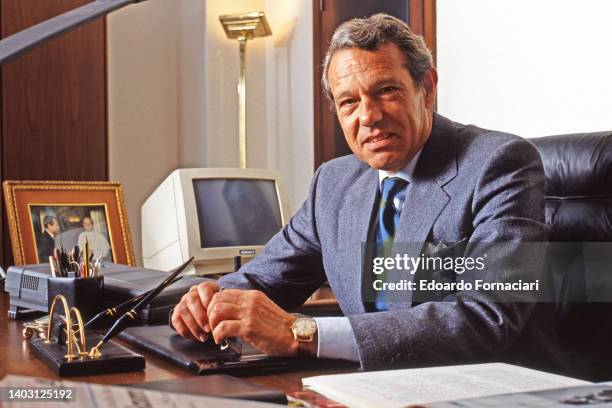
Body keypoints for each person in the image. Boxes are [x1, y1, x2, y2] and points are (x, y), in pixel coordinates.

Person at [172, 14, 563, 371]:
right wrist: (211, 299)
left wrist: (303, 333)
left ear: (426, 89)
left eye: (386, 91)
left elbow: (487, 319)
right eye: (348, 102)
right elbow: (264, 279)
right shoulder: (334, 182)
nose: (369, 116)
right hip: (360, 387)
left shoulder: (499, 163)